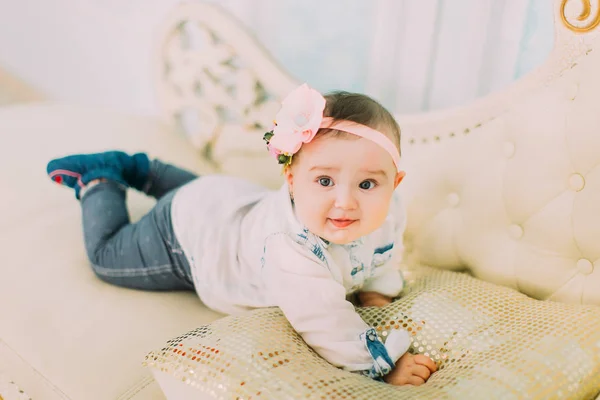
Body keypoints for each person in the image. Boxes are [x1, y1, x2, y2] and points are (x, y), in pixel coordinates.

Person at [46, 83, 437, 386]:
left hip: (224, 199)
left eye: (367, 185)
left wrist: (376, 289)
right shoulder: (292, 252)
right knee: (107, 257)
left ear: (394, 183)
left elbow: (385, 252)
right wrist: (383, 363)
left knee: (201, 193)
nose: (346, 202)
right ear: (291, 180)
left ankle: (144, 169)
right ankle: (102, 176)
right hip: (185, 238)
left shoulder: (387, 212)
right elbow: (326, 321)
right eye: (324, 180)